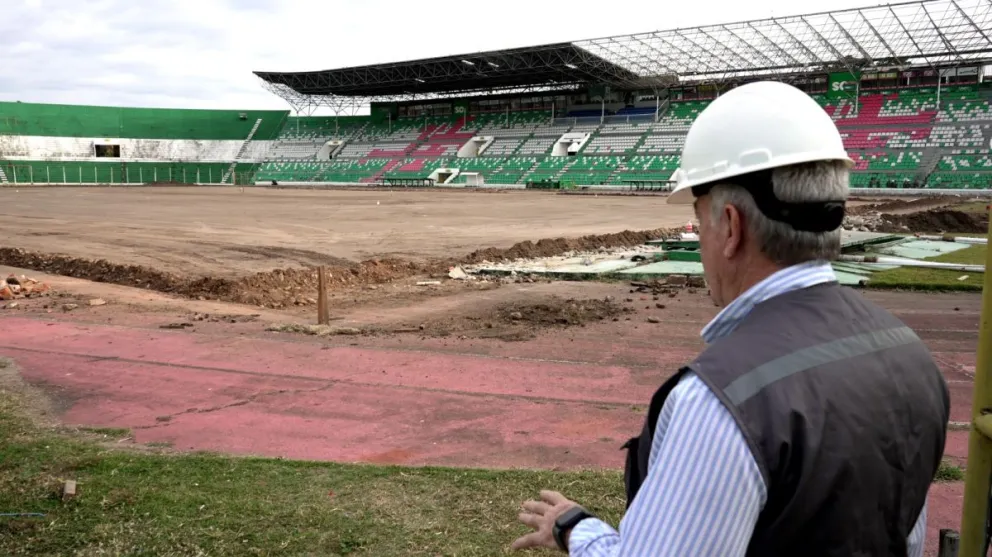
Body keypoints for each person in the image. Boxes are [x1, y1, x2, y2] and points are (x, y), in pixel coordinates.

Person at [511, 81, 950, 556]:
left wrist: (575, 529)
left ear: (731, 227)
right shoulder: (909, 355)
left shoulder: (721, 400)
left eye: (700, 223)